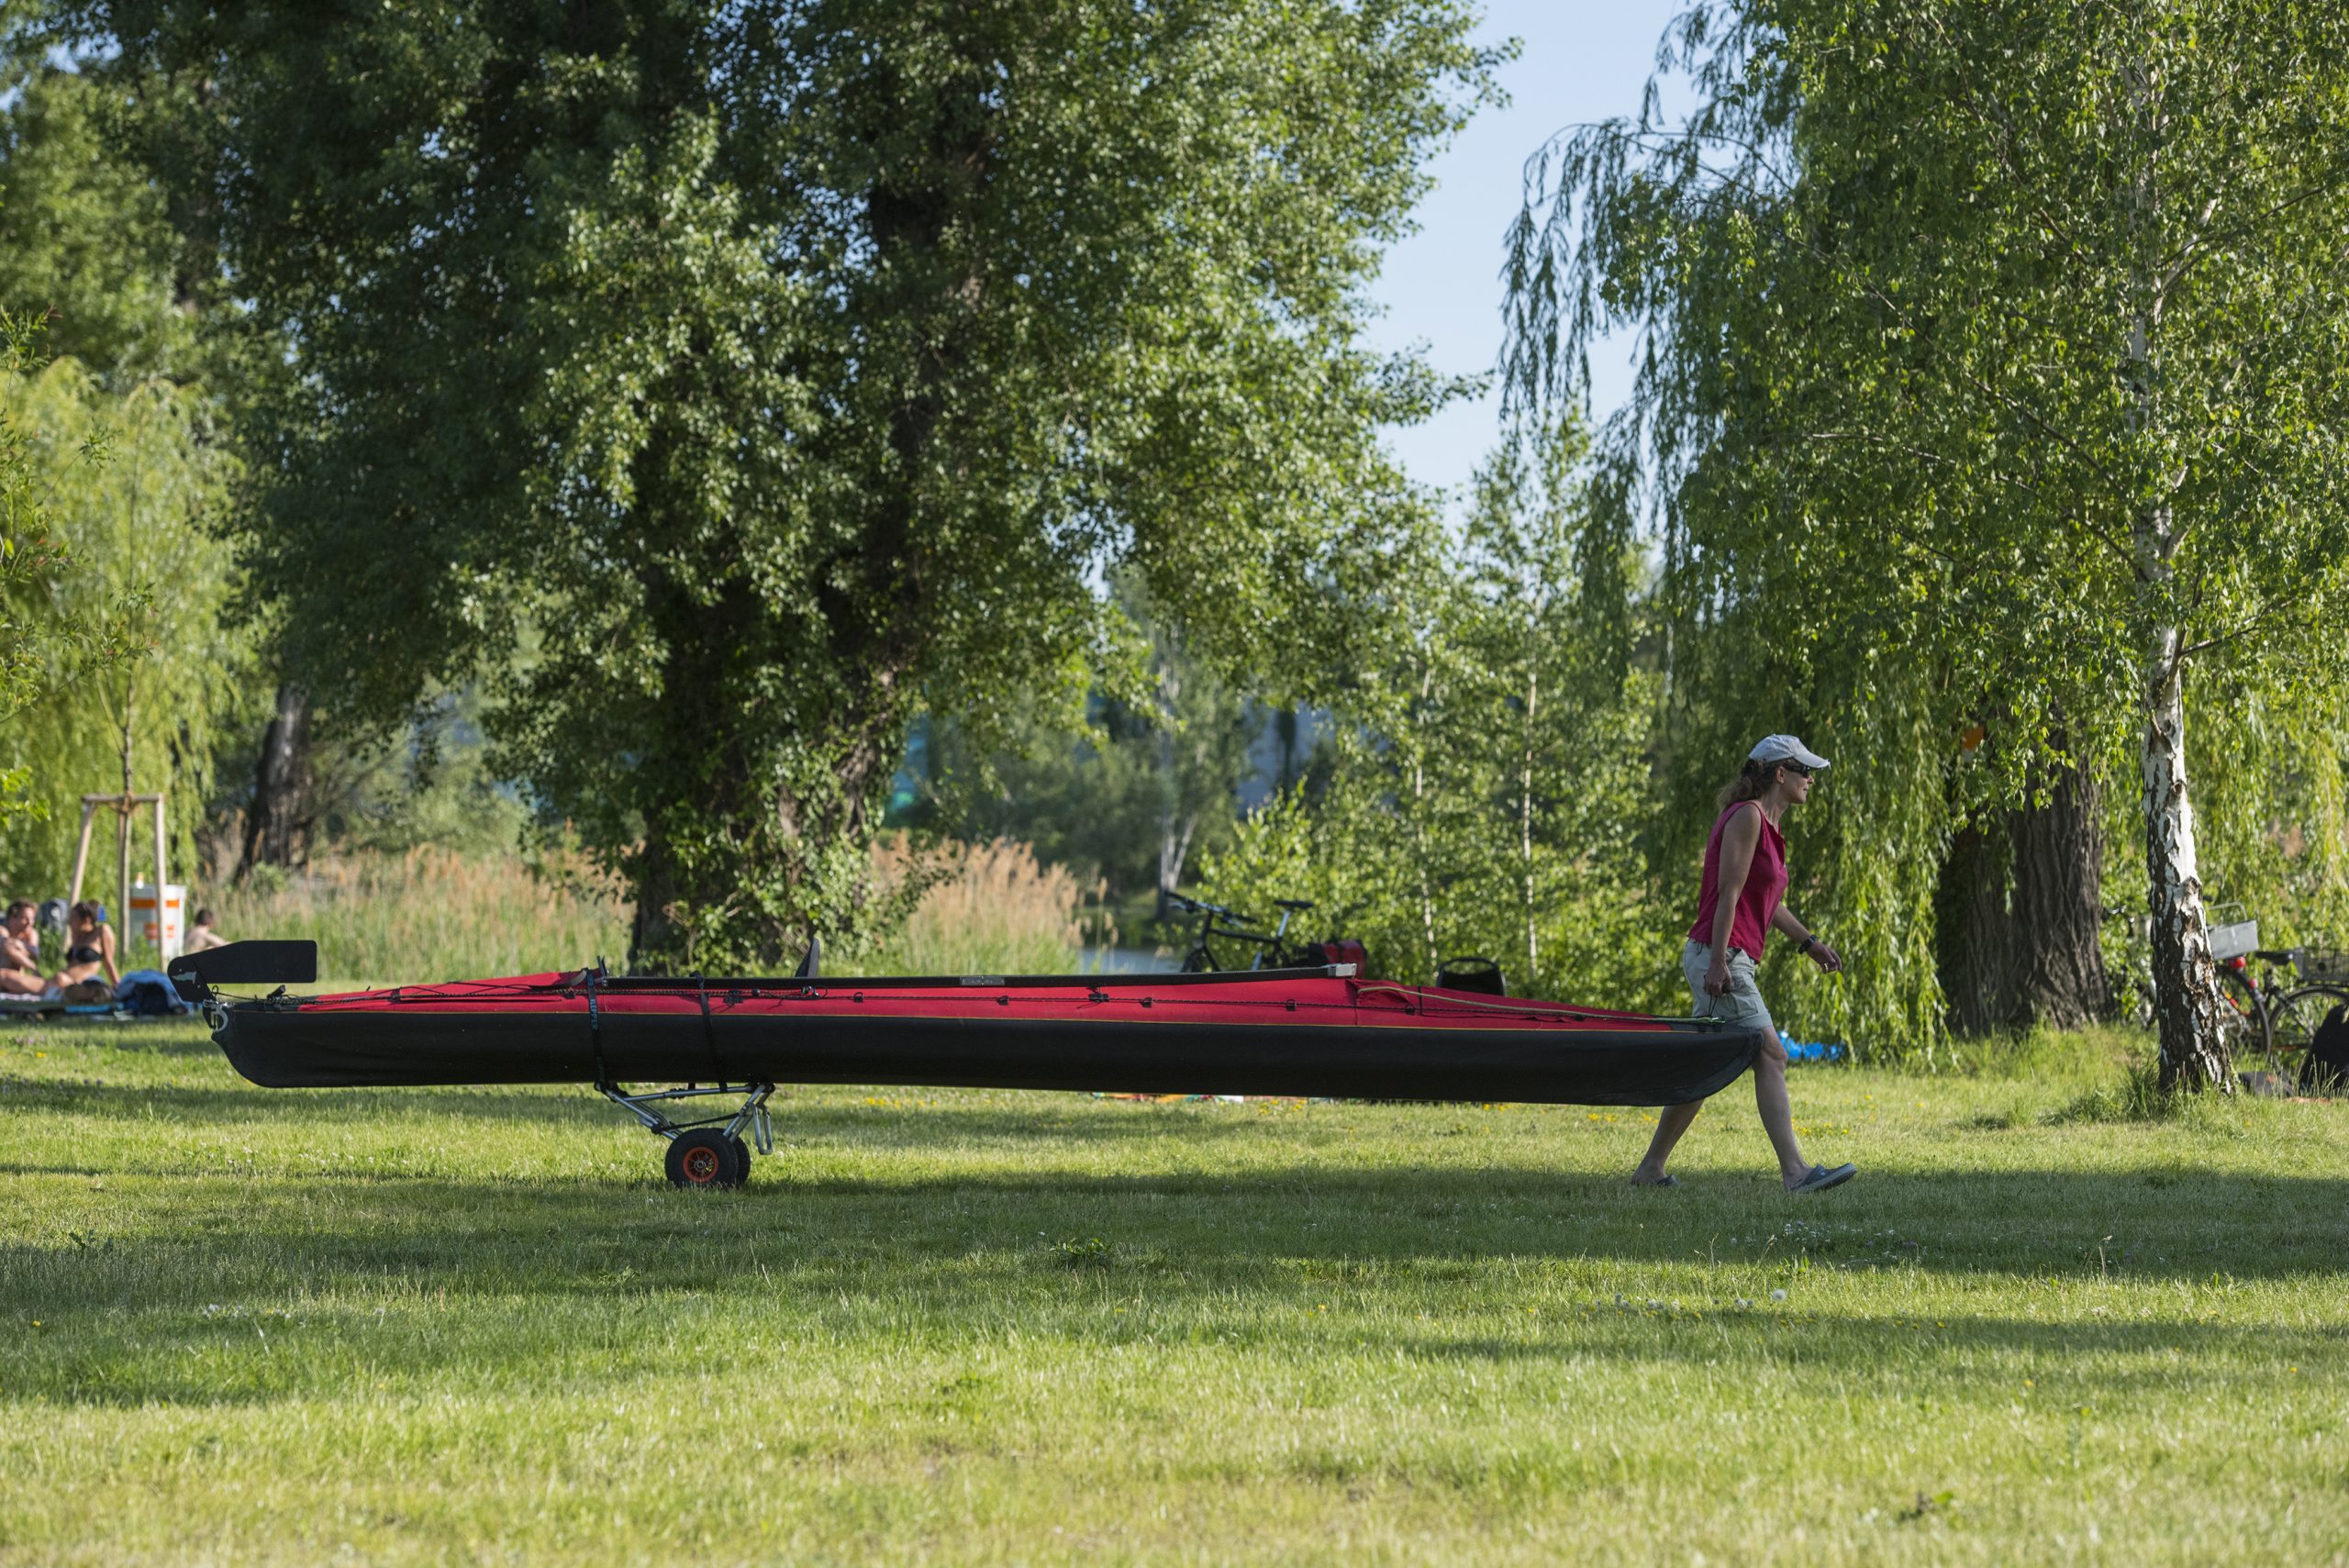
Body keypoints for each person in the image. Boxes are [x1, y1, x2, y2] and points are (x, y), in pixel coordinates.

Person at [1631, 735, 1857, 1195]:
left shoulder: (1769, 827)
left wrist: (1808, 942)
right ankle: (1795, 1173)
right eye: (1804, 772)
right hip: (1722, 957)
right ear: (1780, 773)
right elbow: (1729, 893)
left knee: (1702, 1066)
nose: (1810, 781)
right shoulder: (1748, 817)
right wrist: (1718, 963)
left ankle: (1651, 1168)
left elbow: (1766, 903)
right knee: (1770, 1052)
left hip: (1727, 956)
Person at [50, 900, 120, 993]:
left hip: (79, 985)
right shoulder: (77, 936)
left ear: (87, 919)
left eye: (73, 918)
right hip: (63, 982)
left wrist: (119, 987)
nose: (69, 922)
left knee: (59, 979)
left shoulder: (101, 931)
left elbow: (108, 962)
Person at [0, 901, 44, 995]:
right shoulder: (2, 930)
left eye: (32, 919)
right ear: (12, 918)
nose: (30, 923)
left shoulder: (30, 934)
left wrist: (20, 945)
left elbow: (34, 954)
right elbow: (8, 949)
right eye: (25, 918)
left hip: (14, 978)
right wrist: (33, 967)